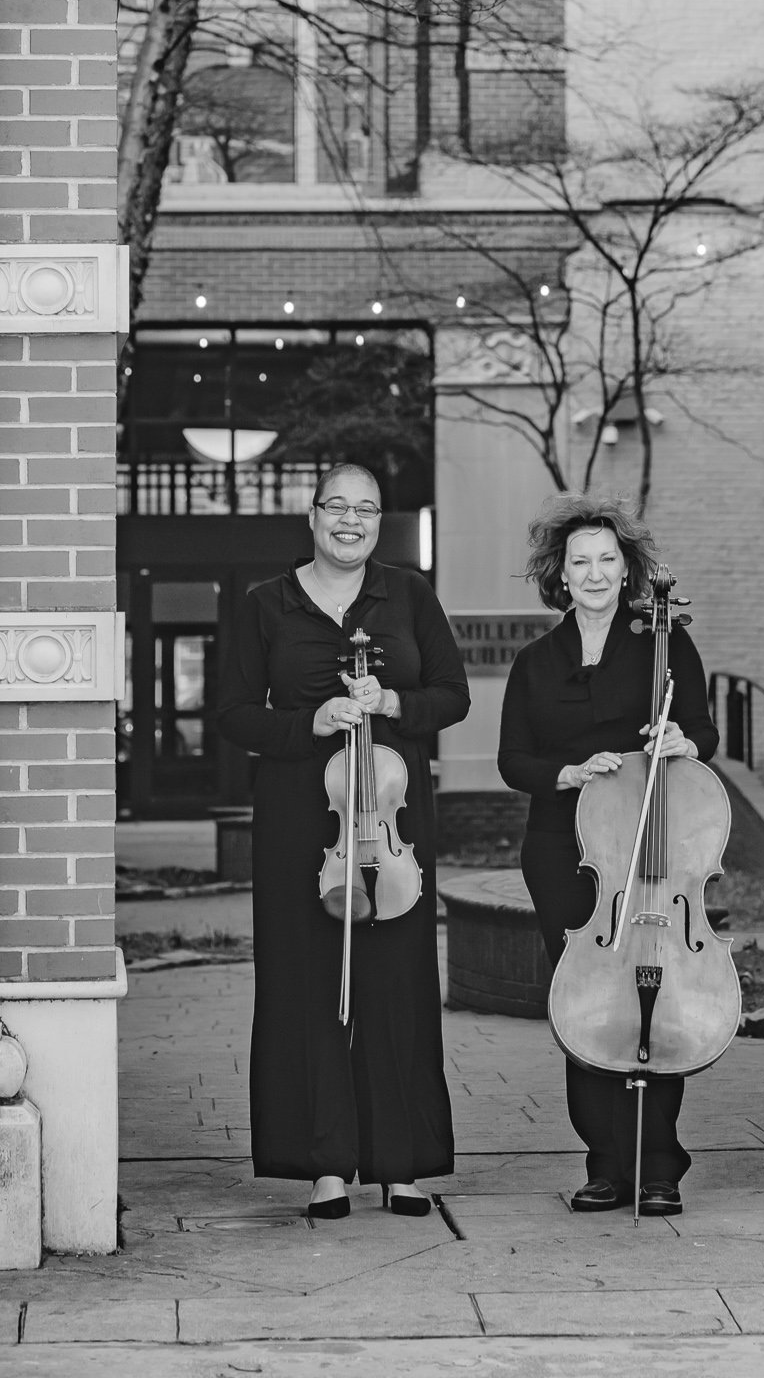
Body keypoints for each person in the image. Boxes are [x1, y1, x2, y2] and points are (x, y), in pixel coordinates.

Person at [218, 461, 469, 1219]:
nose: (350, 520)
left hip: (390, 820)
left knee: (396, 985)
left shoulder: (410, 595)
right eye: (336, 506)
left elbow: (452, 695)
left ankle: (403, 1161)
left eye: (366, 509)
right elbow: (232, 712)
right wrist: (311, 723)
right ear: (312, 516)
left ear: (379, 520)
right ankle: (324, 1162)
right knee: (305, 983)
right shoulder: (266, 604)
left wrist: (393, 699)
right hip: (303, 815)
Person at [497, 494, 719, 1217]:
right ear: (559, 576)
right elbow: (512, 760)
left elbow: (704, 737)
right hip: (567, 850)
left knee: (656, 996)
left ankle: (659, 1165)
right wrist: (564, 773)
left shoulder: (664, 644)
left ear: (628, 572)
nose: (593, 574)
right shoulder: (535, 662)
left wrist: (681, 743)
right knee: (589, 1000)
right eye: (578, 562)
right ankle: (603, 1163)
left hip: (652, 850)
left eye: (606, 561)